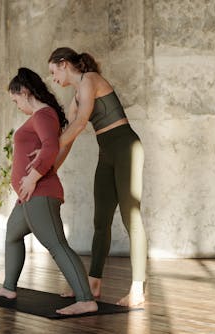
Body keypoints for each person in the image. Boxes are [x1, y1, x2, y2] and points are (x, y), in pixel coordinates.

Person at [0, 67, 98, 315]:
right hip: (28, 197)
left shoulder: (43, 115)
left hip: (40, 193)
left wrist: (31, 180)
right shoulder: (39, 116)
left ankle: (85, 299)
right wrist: (23, 188)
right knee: (12, 235)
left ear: (25, 92)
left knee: (57, 244)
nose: (15, 104)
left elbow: (50, 148)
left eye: (15, 99)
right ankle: (8, 288)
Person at [46, 47, 148, 307]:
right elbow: (68, 138)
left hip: (126, 147)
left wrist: (49, 149)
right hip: (106, 152)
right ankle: (93, 283)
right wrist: (50, 168)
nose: (52, 78)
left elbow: (80, 125)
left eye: (53, 72)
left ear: (64, 63)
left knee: (131, 217)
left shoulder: (89, 80)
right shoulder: (76, 95)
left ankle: (138, 289)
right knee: (100, 220)